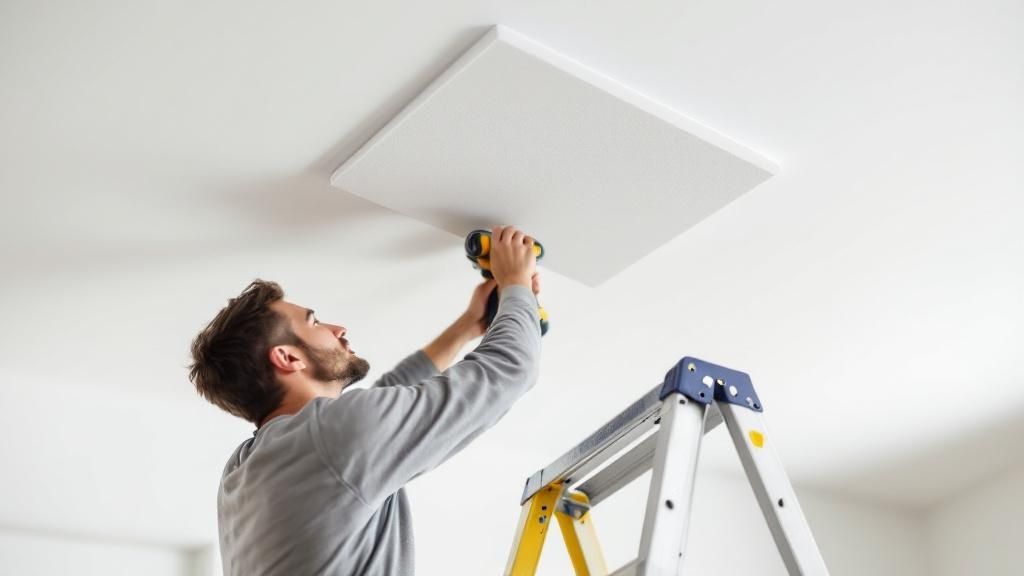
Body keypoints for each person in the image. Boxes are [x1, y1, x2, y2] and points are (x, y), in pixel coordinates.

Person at [188, 225, 543, 575]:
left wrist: (467, 326)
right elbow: (510, 368)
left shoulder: (242, 471)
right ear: (288, 358)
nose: (337, 328)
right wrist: (516, 283)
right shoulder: (332, 437)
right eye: (315, 323)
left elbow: (381, 406)